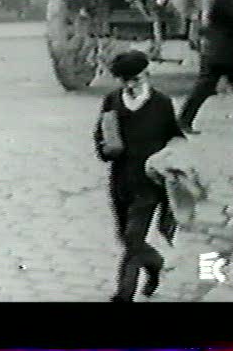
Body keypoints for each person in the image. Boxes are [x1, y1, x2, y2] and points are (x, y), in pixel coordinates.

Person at [93, 50, 186, 302]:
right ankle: (155, 264)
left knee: (134, 237)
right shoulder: (112, 100)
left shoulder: (161, 103)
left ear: (147, 74)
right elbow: (100, 134)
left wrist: (170, 162)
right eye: (125, 80)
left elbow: (176, 138)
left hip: (150, 184)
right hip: (121, 180)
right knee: (125, 236)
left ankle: (124, 294)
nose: (131, 85)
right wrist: (106, 149)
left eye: (136, 79)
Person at [178, 0, 233, 135]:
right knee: (207, 87)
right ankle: (182, 121)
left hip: (218, 49)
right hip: (223, 51)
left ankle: (183, 121)